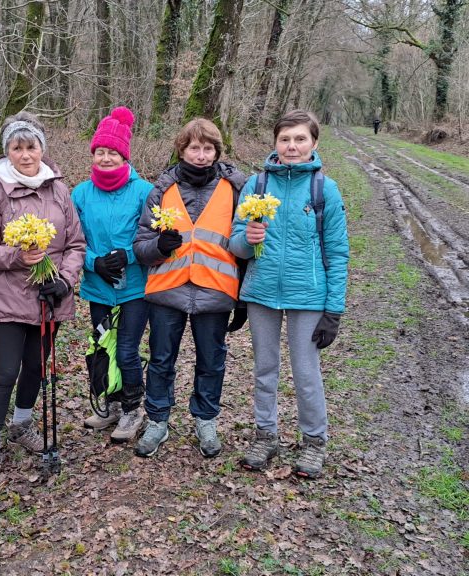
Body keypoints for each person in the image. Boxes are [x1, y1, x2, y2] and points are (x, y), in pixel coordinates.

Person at [0, 111, 85, 498]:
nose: (25, 154)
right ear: (7, 152)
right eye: (17, 147)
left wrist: (64, 280)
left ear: (42, 149)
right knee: (5, 372)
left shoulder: (59, 191)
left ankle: (22, 424)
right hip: (6, 297)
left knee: (36, 367)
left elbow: (74, 244)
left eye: (31, 146)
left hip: (47, 298)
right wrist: (17, 257)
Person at [230, 109, 349, 479]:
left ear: (314, 143)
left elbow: (338, 251)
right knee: (265, 369)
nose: (292, 146)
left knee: (305, 372)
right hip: (262, 292)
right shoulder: (256, 185)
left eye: (300, 139)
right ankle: (265, 435)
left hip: (308, 295)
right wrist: (247, 241)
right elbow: (235, 244)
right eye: (285, 139)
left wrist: (334, 309)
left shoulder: (323, 189)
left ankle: (314, 441)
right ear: (275, 143)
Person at [133, 118, 247, 459]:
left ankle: (206, 419)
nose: (200, 155)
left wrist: (241, 298)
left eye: (207, 148)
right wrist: (160, 247)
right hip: (168, 289)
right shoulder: (162, 190)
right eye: (194, 148)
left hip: (216, 290)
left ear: (216, 152)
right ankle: (157, 420)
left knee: (212, 361)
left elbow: (245, 244)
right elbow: (140, 245)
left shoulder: (236, 188)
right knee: (161, 359)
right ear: (182, 150)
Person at [71, 107, 154, 443]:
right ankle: (111, 403)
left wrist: (129, 255)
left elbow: (151, 236)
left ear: (125, 156)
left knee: (127, 350)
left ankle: (134, 408)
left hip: (135, 287)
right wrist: (94, 262)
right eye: (100, 152)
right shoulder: (79, 193)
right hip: (98, 286)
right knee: (103, 347)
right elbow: (72, 240)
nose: (105, 158)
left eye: (113, 153)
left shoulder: (144, 191)